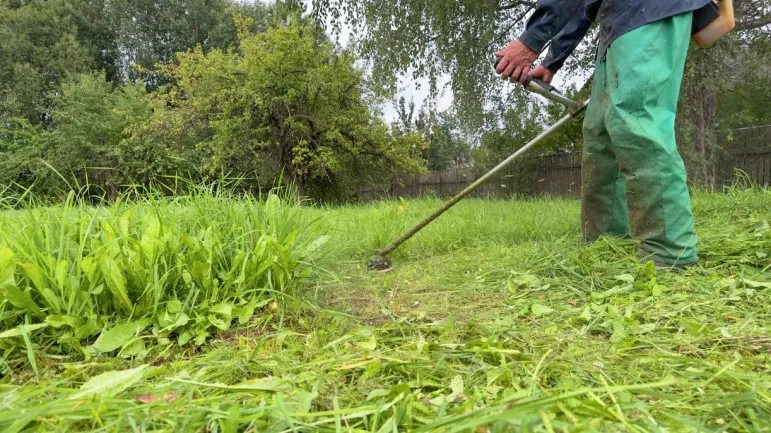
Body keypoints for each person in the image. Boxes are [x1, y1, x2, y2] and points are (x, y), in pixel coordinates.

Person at [495, 0, 713, 269]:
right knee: (599, 133)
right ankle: (606, 244)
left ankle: (671, 252)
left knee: (635, 122)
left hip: (652, 8)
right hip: (619, 18)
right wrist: (553, 60)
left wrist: (530, 40)